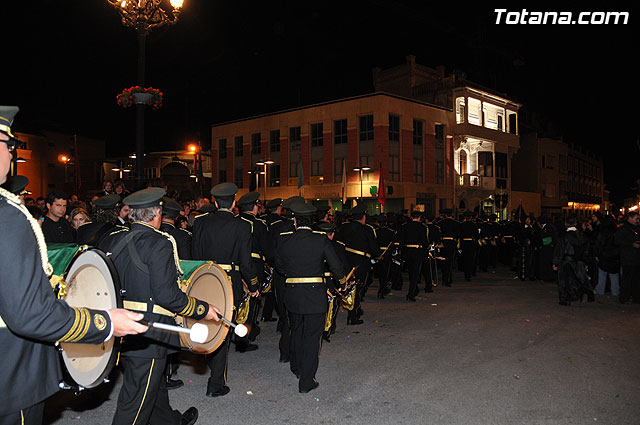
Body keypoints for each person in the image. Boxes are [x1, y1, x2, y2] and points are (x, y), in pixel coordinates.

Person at [0, 105, 148, 425]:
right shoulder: (7, 216)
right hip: (10, 374)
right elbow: (29, 314)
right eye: (7, 145)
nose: (12, 155)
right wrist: (104, 322)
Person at [99, 187, 221, 425]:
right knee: (134, 401)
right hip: (150, 331)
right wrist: (203, 309)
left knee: (151, 383)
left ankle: (169, 421)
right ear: (156, 213)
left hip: (121, 326)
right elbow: (167, 296)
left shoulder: (112, 239)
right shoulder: (159, 242)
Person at [191, 183, 259, 397]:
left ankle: (208, 362)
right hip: (229, 280)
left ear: (215, 202)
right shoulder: (241, 226)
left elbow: (194, 255)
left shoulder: (201, 223)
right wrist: (254, 284)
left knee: (208, 322)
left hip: (205, 278)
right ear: (234, 203)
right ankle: (216, 383)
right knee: (224, 329)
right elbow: (246, 262)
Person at [274, 203, 346, 393]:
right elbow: (335, 265)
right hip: (315, 295)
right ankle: (306, 381)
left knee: (296, 330)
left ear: (295, 221)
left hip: (293, 294)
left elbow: (279, 267)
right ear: (312, 222)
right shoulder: (320, 239)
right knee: (312, 338)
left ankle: (296, 367)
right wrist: (342, 281)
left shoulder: (285, 240)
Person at [335, 204, 380, 324]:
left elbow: (338, 244)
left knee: (348, 287)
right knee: (358, 289)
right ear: (364, 217)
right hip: (361, 263)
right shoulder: (367, 229)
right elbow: (374, 248)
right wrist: (377, 255)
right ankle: (353, 315)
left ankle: (355, 309)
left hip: (346, 261)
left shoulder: (344, 227)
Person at [552, 216, 593, 305]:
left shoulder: (564, 236)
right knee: (579, 279)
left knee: (563, 281)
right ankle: (581, 294)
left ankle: (564, 299)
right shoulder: (582, 235)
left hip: (566, 261)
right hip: (578, 261)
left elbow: (559, 250)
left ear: (566, 224)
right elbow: (587, 249)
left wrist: (555, 262)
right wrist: (586, 261)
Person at [397, 210, 429, 301]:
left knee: (411, 273)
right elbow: (425, 242)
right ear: (419, 218)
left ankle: (414, 290)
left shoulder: (405, 226)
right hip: (418, 252)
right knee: (415, 273)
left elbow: (401, 241)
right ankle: (411, 293)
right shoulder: (423, 227)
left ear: (411, 218)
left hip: (408, 251)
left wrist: (402, 252)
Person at [614, 211, 640, 304]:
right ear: (630, 218)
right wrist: (631, 244)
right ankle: (624, 297)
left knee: (636, 279)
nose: (638, 221)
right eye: (636, 218)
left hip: (637, 258)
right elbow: (617, 241)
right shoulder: (623, 229)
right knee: (627, 278)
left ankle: (636, 297)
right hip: (628, 258)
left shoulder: (637, 228)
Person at [594, 215, 620, 297]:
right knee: (614, 273)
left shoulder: (603, 231)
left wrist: (597, 253)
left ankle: (600, 289)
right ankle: (615, 290)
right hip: (614, 255)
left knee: (602, 273)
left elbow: (598, 243)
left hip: (604, 254)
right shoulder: (616, 231)